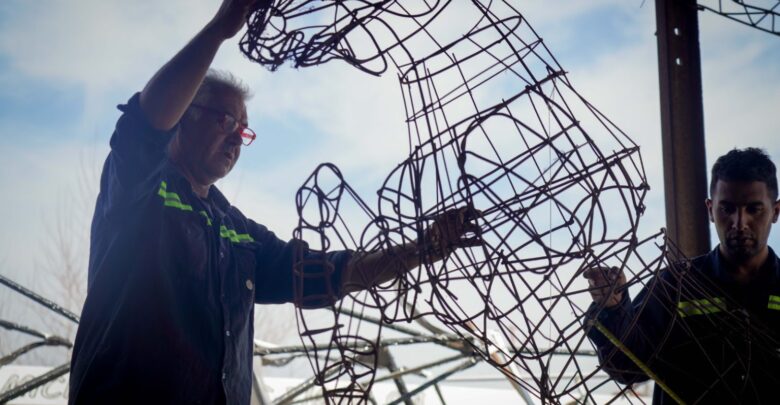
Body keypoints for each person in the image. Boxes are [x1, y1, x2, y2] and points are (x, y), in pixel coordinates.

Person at [67, 1, 481, 404]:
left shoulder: (235, 230)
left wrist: (422, 249)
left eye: (244, 131)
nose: (236, 138)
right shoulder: (139, 186)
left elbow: (328, 274)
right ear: (184, 117)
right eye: (226, 121)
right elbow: (145, 122)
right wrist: (220, 29)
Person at [584, 147, 780, 404]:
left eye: (754, 209)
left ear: (775, 211)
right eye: (727, 209)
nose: (739, 222)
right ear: (710, 210)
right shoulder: (676, 284)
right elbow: (626, 366)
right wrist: (612, 308)